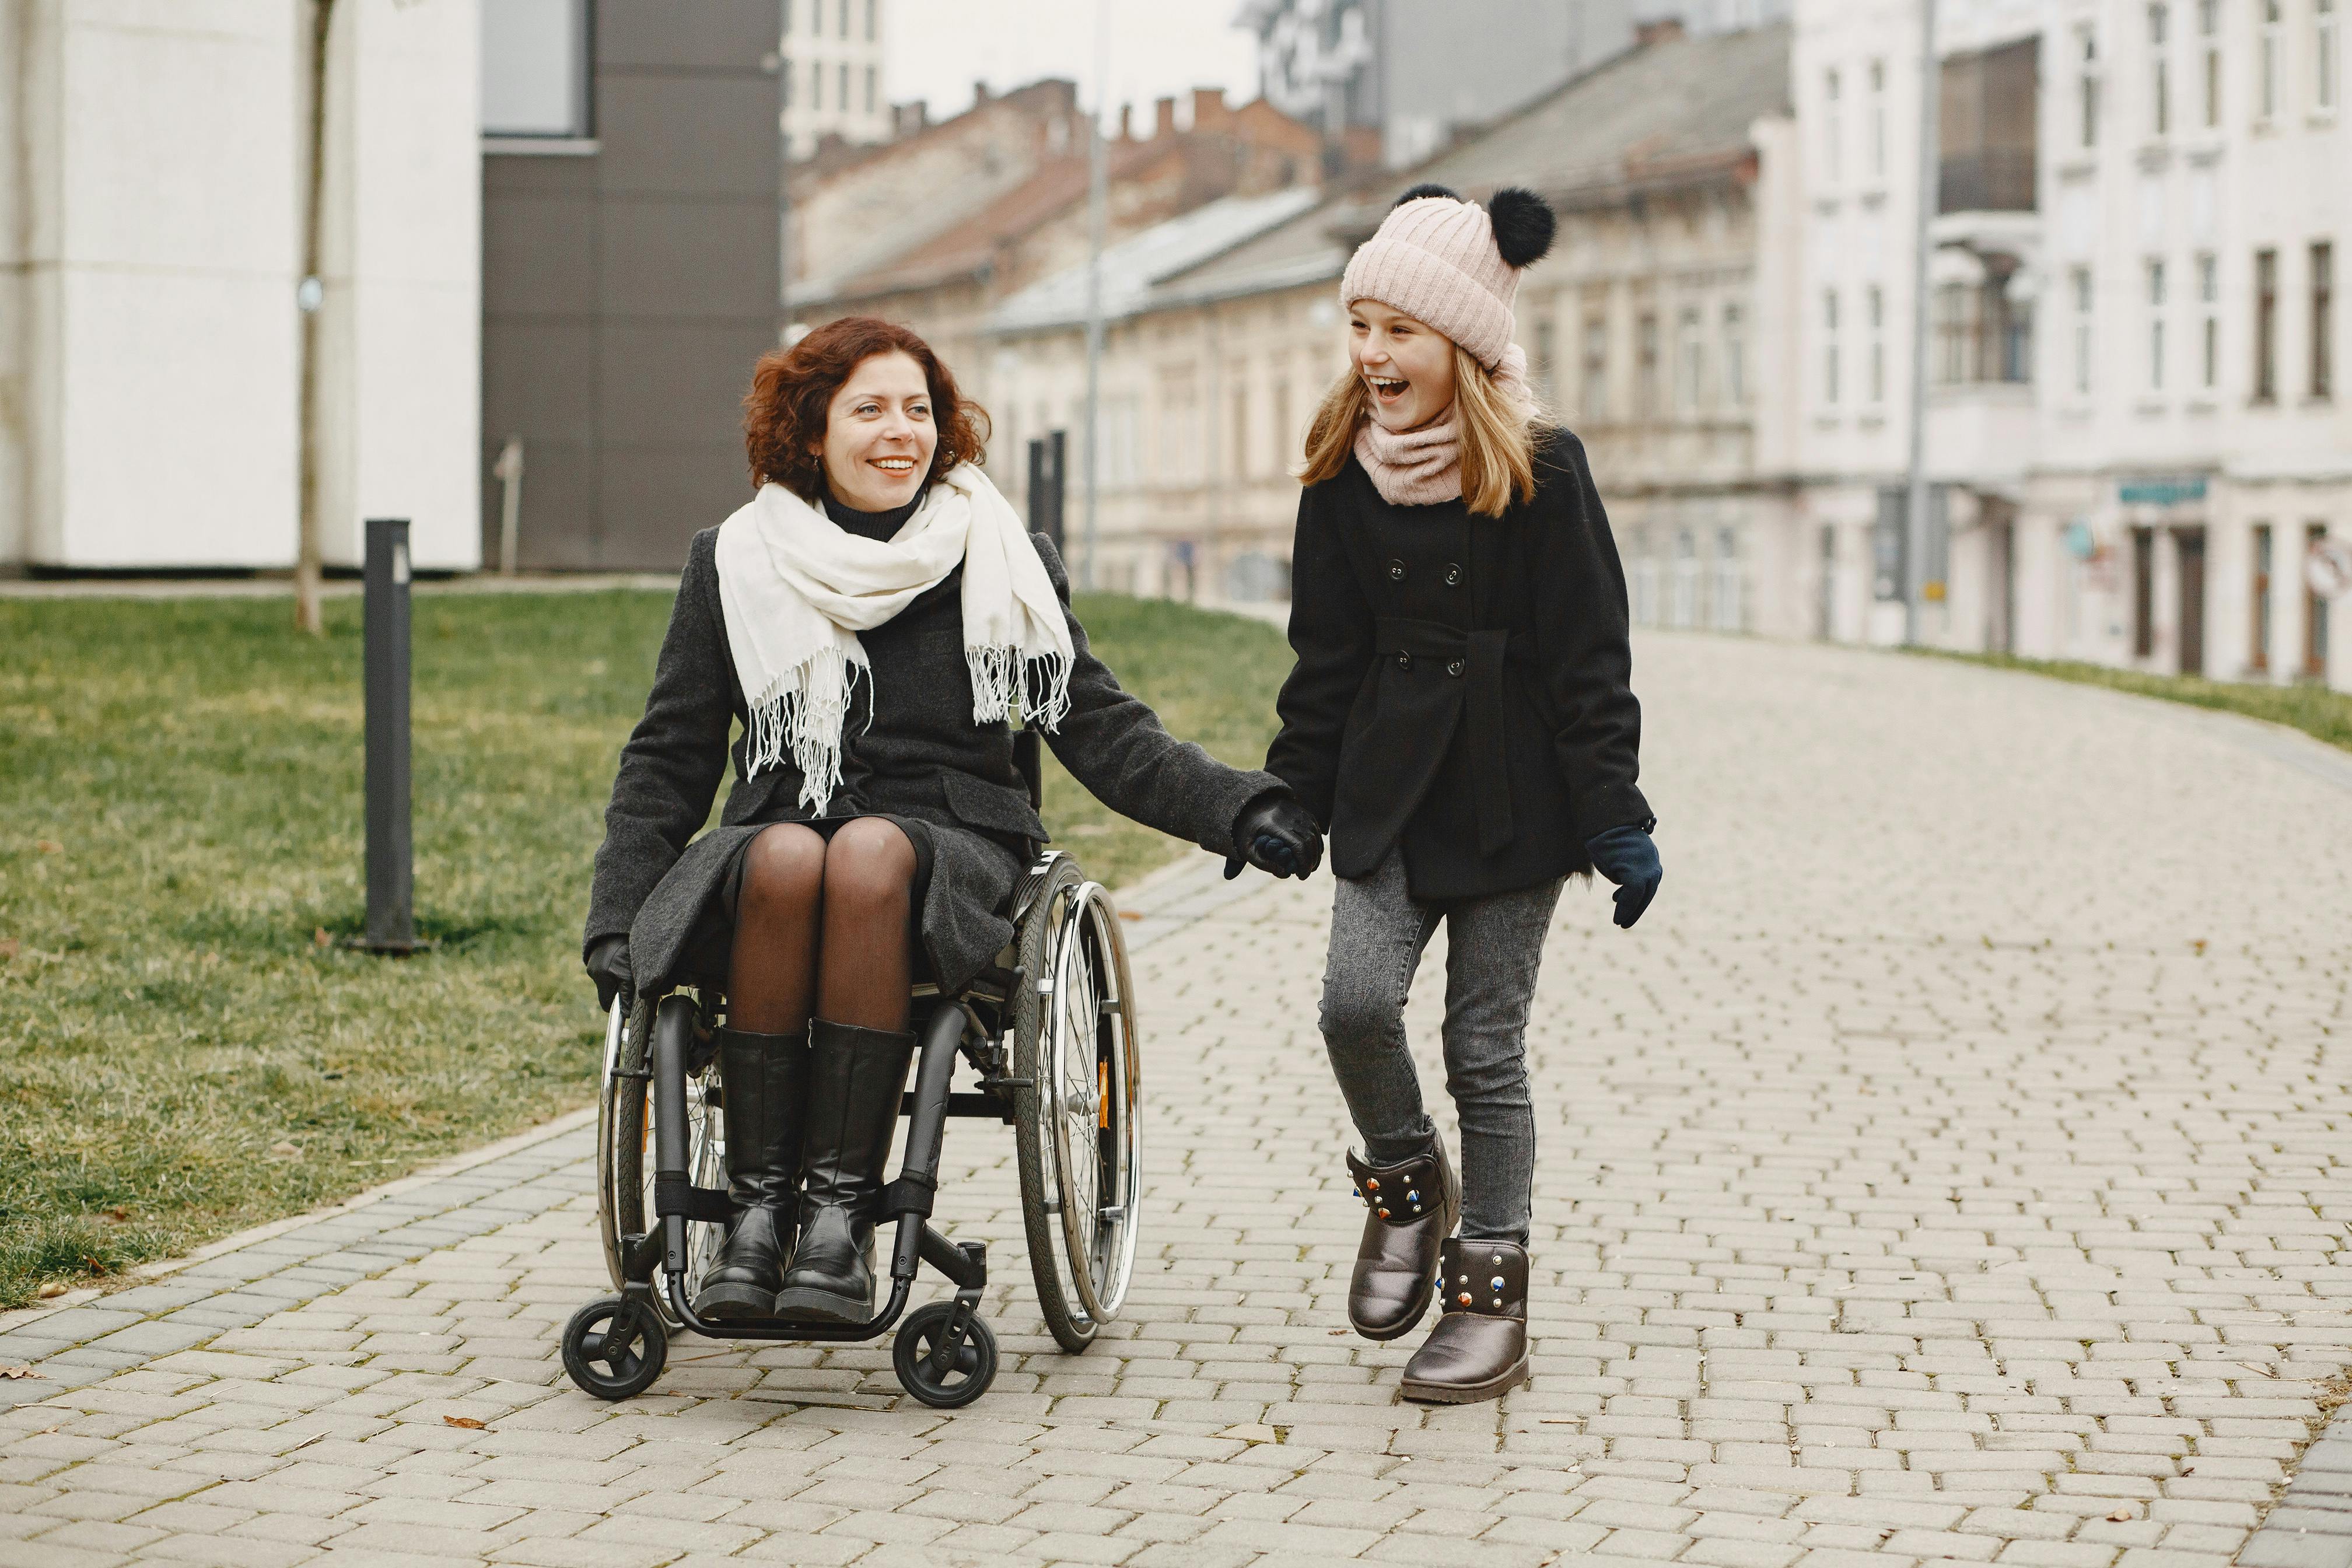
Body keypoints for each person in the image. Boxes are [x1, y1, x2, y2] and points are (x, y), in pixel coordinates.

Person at [582, 316, 1321, 1325]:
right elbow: (669, 754)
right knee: (799, 851)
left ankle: (838, 1223)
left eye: (919, 411)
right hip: (779, 848)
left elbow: (1104, 731)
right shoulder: (736, 560)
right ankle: (758, 1220)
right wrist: (619, 919)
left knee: (871, 852)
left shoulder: (998, 554)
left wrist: (1241, 811)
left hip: (955, 850)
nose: (902, 432)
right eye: (870, 409)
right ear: (810, 432)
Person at [1264, 184, 1663, 1404]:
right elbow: (1323, 656)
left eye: (1401, 331)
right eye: (1362, 328)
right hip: (1387, 789)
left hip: (1516, 798)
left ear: (1465, 342)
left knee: (1483, 1048)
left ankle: (1491, 1292)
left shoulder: (1542, 467)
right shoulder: (1340, 470)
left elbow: (1592, 655)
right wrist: (1292, 793)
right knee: (1351, 1004)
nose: (1375, 355)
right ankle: (1405, 1188)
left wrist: (1617, 813)